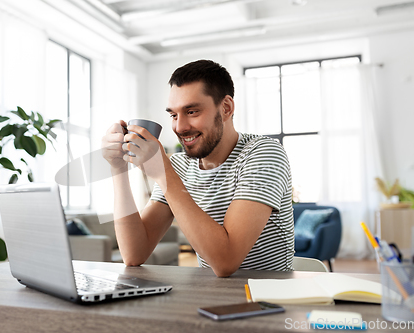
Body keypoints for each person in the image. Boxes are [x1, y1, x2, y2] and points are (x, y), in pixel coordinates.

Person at [102, 59, 294, 277]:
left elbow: (226, 261)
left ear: (226, 108)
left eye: (192, 112)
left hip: (270, 296)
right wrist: (118, 168)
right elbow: (134, 253)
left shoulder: (263, 154)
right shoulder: (179, 166)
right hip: (210, 295)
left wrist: (164, 174)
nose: (180, 127)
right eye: (174, 115)